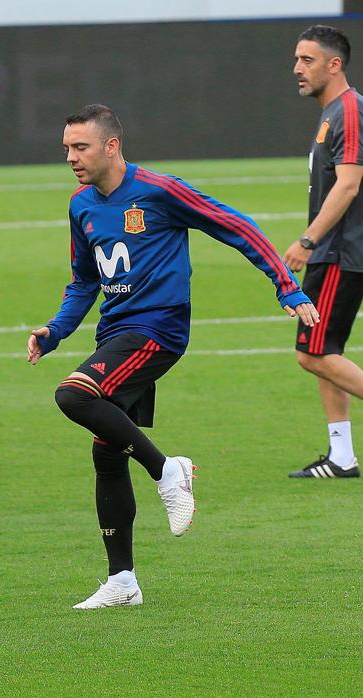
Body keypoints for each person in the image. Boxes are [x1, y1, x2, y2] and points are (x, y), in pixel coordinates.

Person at [28, 104, 318, 609]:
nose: (71, 157)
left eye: (81, 147)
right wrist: (55, 331)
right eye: (66, 149)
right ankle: (123, 581)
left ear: (111, 146)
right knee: (106, 450)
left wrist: (287, 287)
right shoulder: (81, 206)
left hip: (158, 330)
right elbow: (85, 281)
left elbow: (236, 225)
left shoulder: (160, 191)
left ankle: (168, 471)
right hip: (115, 334)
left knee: (73, 393)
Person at [283, 25, 363, 479]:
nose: (297, 68)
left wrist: (308, 240)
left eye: (307, 59)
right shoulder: (333, 112)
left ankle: (342, 456)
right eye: (296, 59)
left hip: (339, 253)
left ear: (335, 65)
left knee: (312, 353)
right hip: (334, 252)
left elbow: (349, 184)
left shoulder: (349, 111)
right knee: (324, 350)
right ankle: (342, 457)